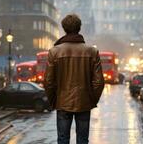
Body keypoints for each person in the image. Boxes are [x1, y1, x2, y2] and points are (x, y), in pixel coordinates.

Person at [44, 14, 105, 144]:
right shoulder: (92, 51)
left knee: (62, 139)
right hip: (84, 102)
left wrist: (54, 100)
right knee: (83, 140)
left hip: (62, 102)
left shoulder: (54, 52)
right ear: (79, 28)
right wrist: (92, 99)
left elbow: (49, 81)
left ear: (64, 28)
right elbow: (99, 82)